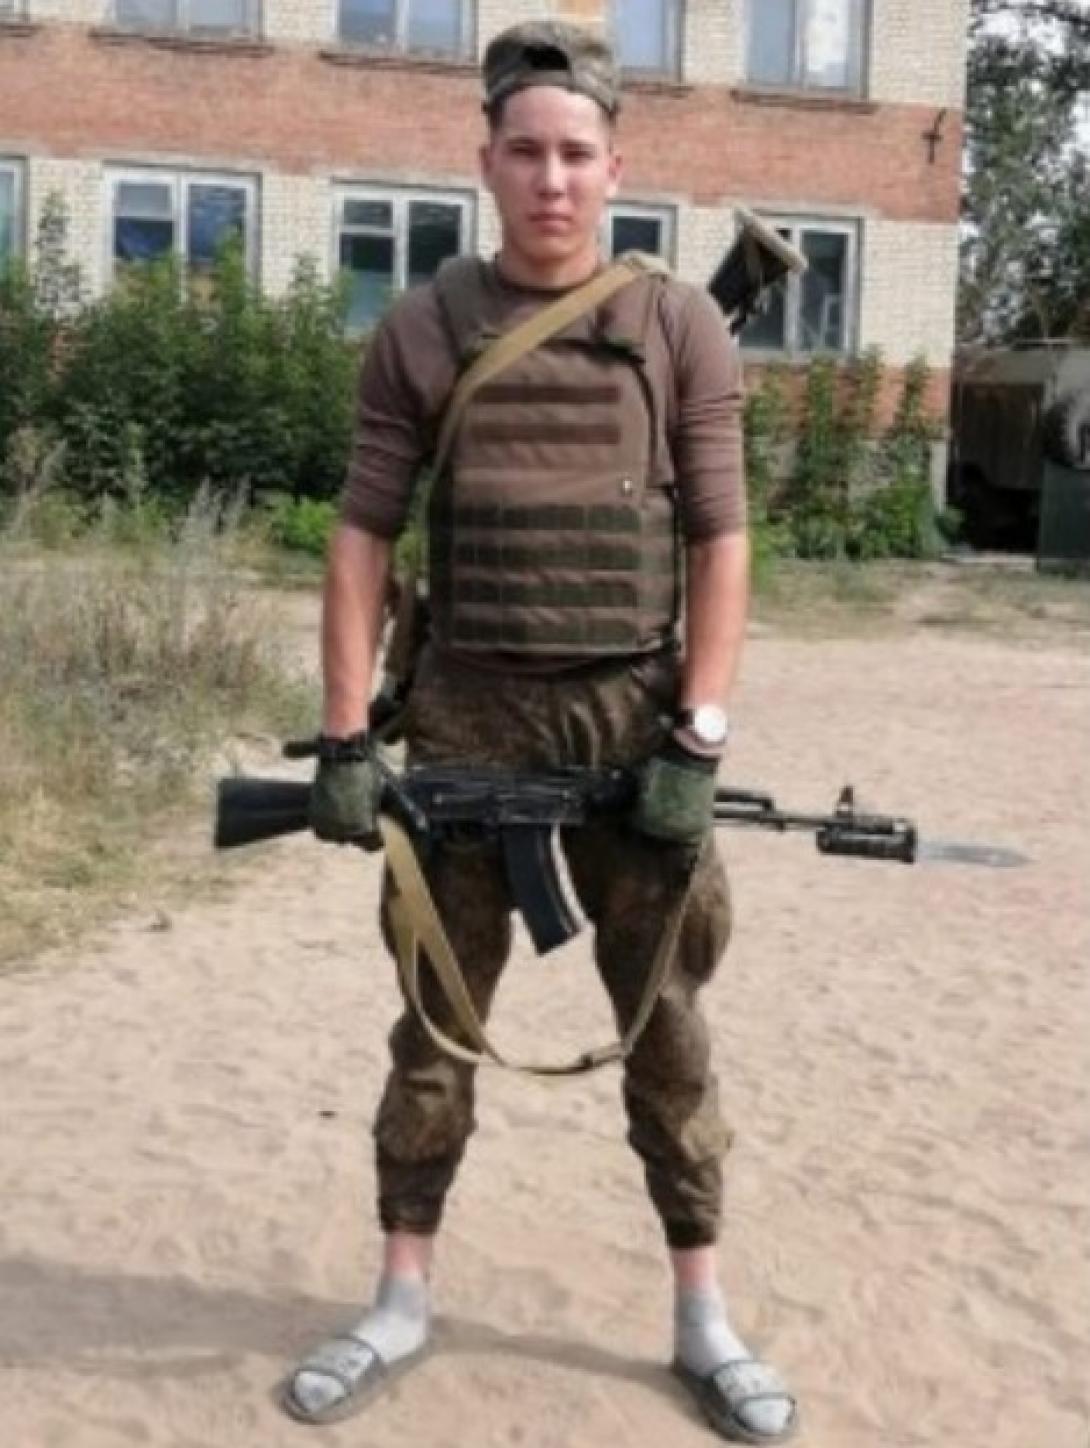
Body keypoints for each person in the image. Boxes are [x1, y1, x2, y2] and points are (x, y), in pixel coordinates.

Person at [283, 19, 797, 1444]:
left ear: (614, 167)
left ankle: (701, 1318)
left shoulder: (679, 327)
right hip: (464, 713)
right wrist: (345, 736)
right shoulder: (423, 326)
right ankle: (400, 1297)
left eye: (577, 154)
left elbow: (722, 539)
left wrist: (697, 736)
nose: (552, 179)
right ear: (487, 164)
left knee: (667, 1028)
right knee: (436, 1027)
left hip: (630, 718)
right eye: (527, 152)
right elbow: (360, 534)